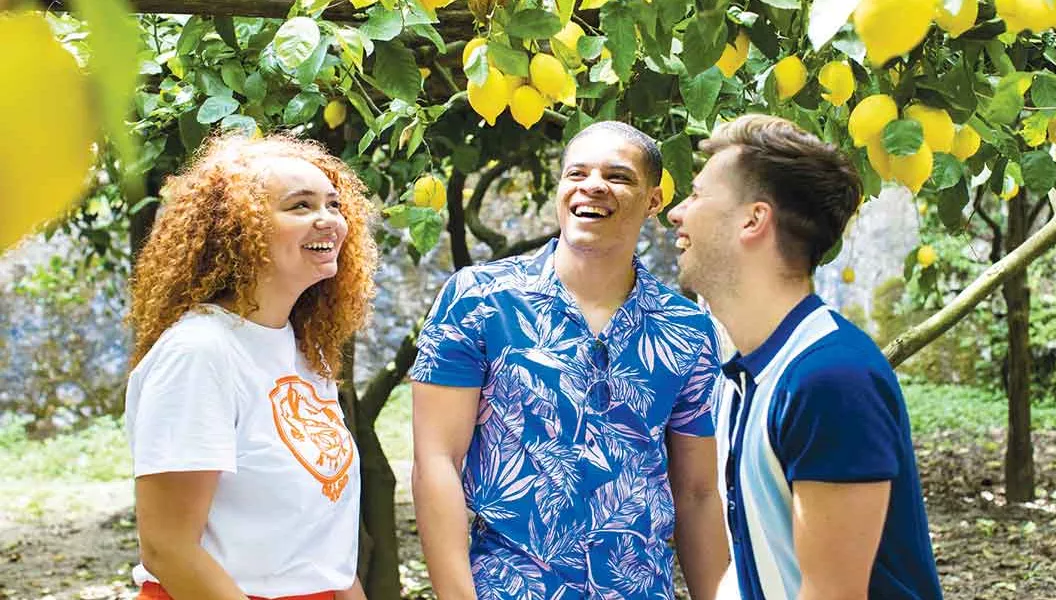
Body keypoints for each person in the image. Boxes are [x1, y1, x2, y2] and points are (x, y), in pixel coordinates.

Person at [410, 121, 729, 599]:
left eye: (618, 176)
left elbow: (698, 493)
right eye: (576, 173)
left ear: (654, 200)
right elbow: (436, 461)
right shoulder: (480, 299)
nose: (593, 185)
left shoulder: (686, 328)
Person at [666, 114, 944, 600]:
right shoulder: (741, 379)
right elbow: (759, 562)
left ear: (753, 219)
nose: (676, 213)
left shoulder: (829, 378)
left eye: (696, 194)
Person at [124, 133, 377, 600]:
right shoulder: (200, 353)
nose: (329, 221)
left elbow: (322, 554)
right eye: (300, 206)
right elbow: (169, 549)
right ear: (239, 229)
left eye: (334, 204)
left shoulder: (305, 352)